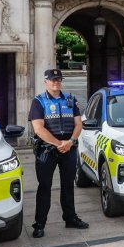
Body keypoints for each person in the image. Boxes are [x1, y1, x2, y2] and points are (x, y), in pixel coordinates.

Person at [28, 68, 88, 238]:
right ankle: (39, 224)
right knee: (45, 187)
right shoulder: (38, 101)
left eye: (59, 80)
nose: (56, 82)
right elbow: (38, 129)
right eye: (53, 80)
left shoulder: (70, 99)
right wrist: (58, 143)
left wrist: (70, 142)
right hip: (46, 151)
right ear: (45, 82)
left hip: (68, 148)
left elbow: (78, 124)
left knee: (68, 186)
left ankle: (70, 218)